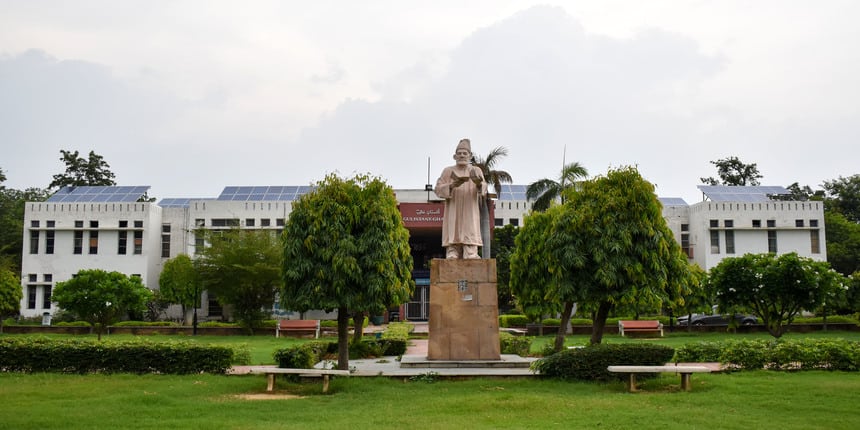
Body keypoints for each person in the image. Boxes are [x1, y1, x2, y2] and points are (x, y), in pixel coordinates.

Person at [434, 138, 487, 259]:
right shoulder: (448, 171)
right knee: (453, 226)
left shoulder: (476, 170)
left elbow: (484, 188)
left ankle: (471, 251)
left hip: (470, 205)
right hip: (453, 205)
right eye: (459, 153)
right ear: (454, 156)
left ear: (470, 155)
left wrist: (478, 183)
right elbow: (438, 189)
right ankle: (452, 250)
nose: (462, 155)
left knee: (470, 226)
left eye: (465, 153)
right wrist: (453, 185)